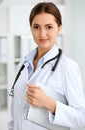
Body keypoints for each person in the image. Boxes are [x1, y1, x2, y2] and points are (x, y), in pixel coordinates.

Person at [8, 2, 85, 130]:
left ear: (59, 27)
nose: (42, 34)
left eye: (49, 27)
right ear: (31, 28)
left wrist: (49, 104)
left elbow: (82, 118)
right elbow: (15, 115)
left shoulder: (67, 67)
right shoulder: (22, 65)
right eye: (36, 27)